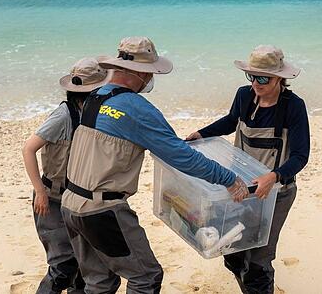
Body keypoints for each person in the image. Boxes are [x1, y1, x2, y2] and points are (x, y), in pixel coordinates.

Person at [60, 36, 248, 294]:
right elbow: (182, 157)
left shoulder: (94, 97)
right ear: (139, 72)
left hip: (70, 204)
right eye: (149, 73)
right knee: (146, 278)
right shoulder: (135, 108)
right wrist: (228, 178)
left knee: (99, 282)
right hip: (101, 212)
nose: (150, 79)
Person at [186, 45, 310, 294]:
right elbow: (231, 121)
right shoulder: (244, 95)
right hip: (241, 188)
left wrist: (273, 177)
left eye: (263, 79)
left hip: (276, 193)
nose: (255, 83)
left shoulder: (293, 106)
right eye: (251, 76)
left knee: (259, 261)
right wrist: (201, 134)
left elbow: (300, 156)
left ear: (279, 78)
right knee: (231, 249)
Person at [22, 57, 112, 294]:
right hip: (51, 199)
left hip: (76, 200)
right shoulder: (63, 116)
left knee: (84, 265)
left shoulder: (93, 113)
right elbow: (28, 149)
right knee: (63, 265)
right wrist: (40, 192)